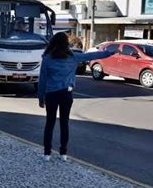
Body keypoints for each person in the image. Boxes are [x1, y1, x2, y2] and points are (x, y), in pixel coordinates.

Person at [37, 32, 113, 162]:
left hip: (51, 94)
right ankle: (63, 154)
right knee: (64, 123)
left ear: (53, 43)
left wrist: (40, 97)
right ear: (67, 44)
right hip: (66, 94)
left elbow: (42, 80)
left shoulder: (47, 58)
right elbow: (93, 55)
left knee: (50, 124)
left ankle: (47, 154)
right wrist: (110, 52)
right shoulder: (73, 57)